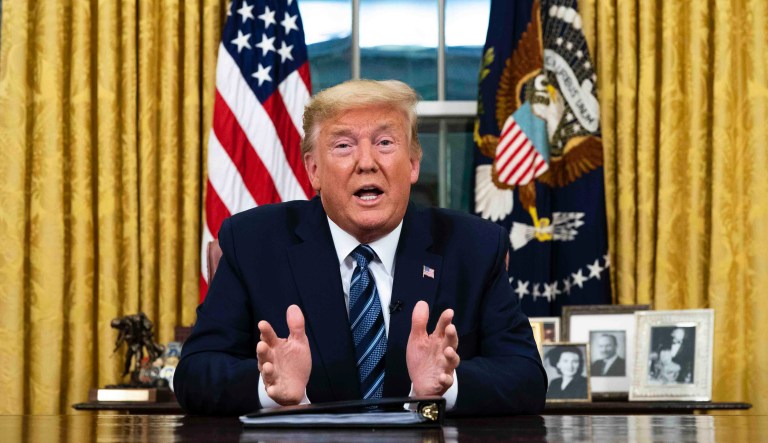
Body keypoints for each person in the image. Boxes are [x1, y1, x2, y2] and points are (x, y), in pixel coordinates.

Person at [174, 79, 547, 416]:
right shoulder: (254, 243)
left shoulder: (473, 247)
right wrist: (268, 387)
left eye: (385, 143)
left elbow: (526, 377)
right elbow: (194, 373)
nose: (366, 163)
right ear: (314, 170)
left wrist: (446, 385)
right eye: (343, 145)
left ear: (414, 164)